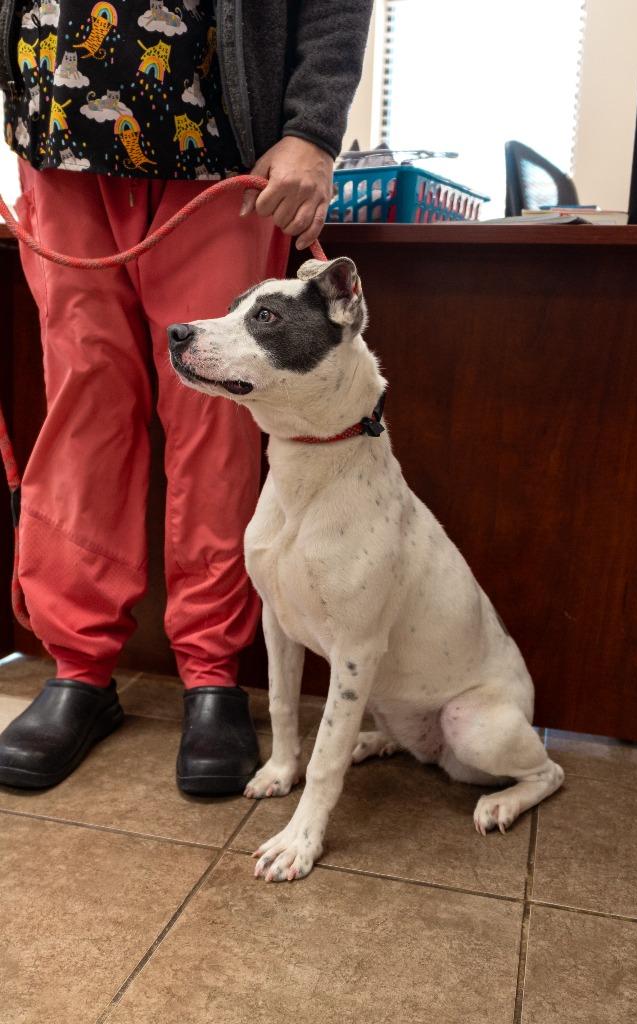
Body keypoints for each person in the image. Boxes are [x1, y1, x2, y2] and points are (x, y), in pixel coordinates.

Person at [0, 0, 373, 793]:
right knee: (81, 409)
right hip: (56, 141)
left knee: (217, 415)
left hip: (220, 147)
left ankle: (211, 673)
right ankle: (79, 668)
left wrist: (312, 128)